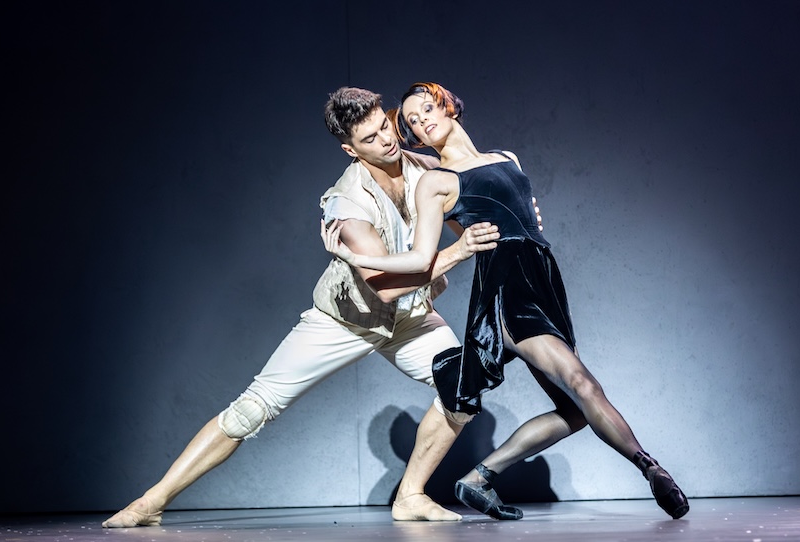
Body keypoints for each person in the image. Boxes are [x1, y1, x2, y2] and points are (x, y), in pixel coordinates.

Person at [101, 87, 502, 528]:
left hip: (409, 320)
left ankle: (409, 496)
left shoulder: (422, 167)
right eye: (370, 138)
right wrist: (458, 252)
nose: (387, 139)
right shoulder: (345, 203)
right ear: (350, 148)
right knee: (252, 409)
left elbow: (477, 201)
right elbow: (385, 288)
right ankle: (149, 503)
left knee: (462, 387)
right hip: (346, 319)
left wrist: (519, 213)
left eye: (385, 126)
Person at [322, 82, 690, 521]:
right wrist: (354, 256)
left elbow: (512, 216)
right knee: (584, 385)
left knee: (575, 411)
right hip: (507, 292)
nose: (422, 123)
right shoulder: (436, 183)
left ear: (448, 104)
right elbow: (422, 257)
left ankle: (480, 477)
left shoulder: (507, 158)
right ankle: (650, 469)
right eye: (414, 123)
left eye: (426, 110)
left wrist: (524, 220)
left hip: (545, 283)